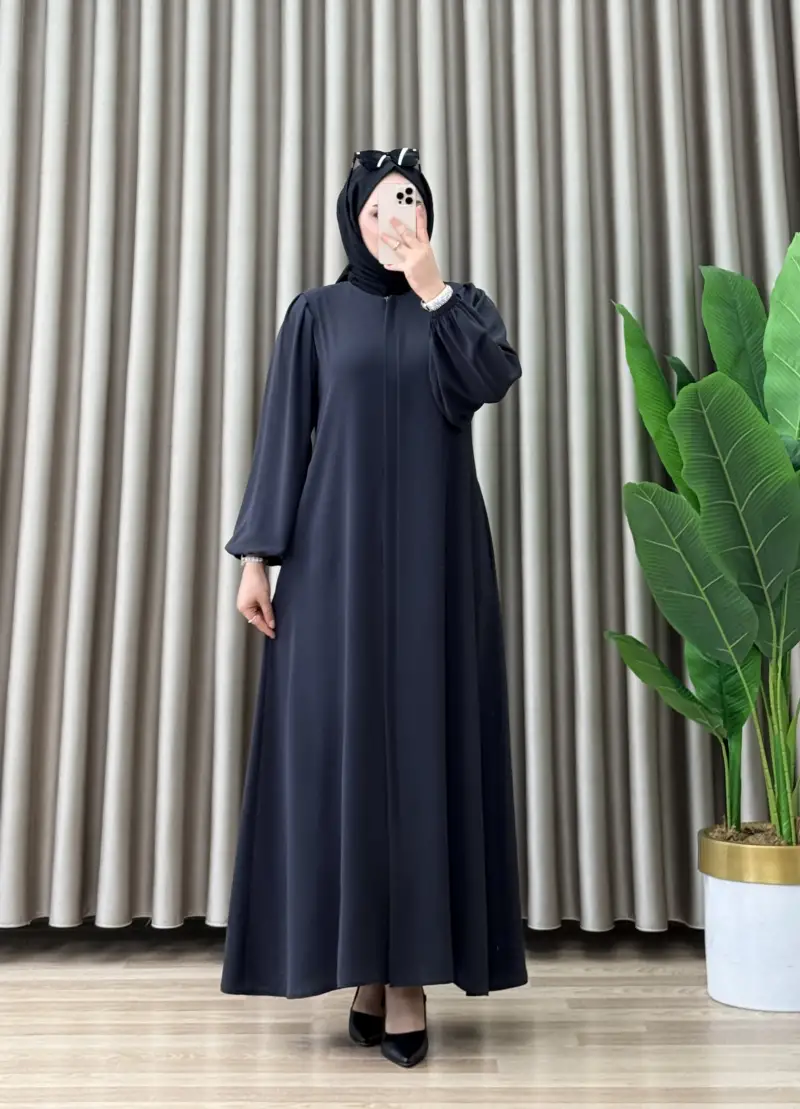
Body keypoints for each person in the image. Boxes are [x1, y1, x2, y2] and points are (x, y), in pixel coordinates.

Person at [220, 147, 527, 1069]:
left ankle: (408, 980)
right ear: (354, 216)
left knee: (423, 757)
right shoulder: (315, 315)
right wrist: (257, 557)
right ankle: (363, 966)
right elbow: (285, 436)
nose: (399, 214)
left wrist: (432, 285)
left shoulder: (459, 310)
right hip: (334, 568)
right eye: (384, 202)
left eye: (413, 201)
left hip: (439, 566)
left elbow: (490, 379)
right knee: (345, 761)